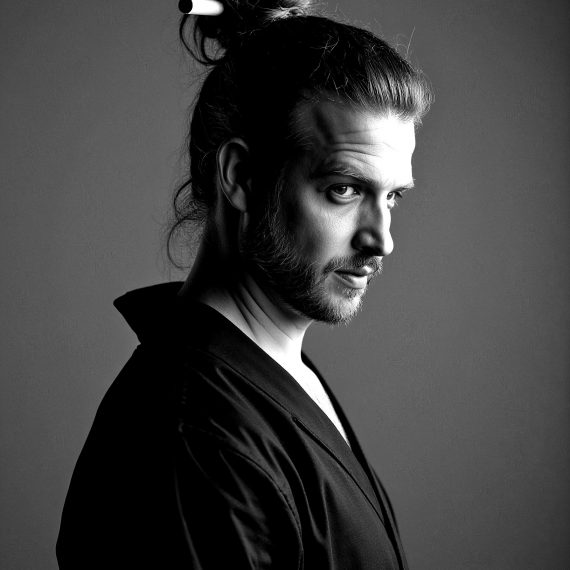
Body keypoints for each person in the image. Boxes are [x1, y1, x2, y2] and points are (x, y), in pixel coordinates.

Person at [56, 0, 432, 568]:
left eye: (393, 196)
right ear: (241, 177)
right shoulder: (197, 436)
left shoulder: (273, 377)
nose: (381, 240)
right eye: (345, 190)